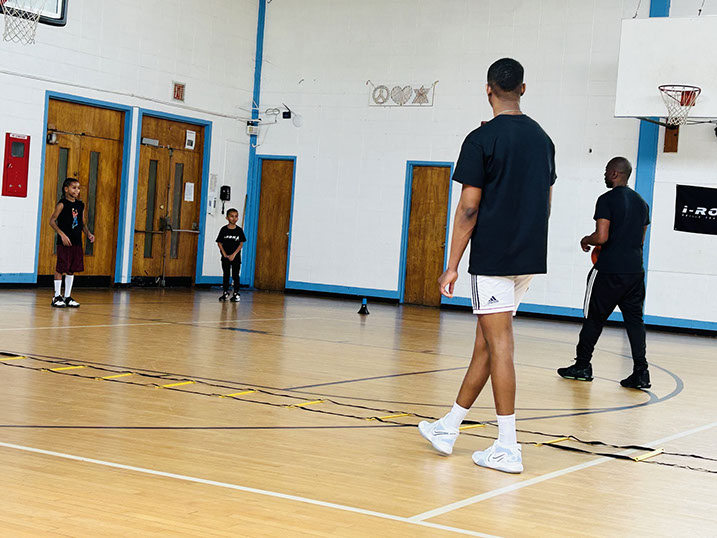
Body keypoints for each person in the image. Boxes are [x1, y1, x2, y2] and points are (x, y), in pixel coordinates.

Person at [418, 58, 556, 474]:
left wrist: (451, 265)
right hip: (527, 258)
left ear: (488, 89)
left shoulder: (481, 139)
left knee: (501, 346)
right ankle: (449, 426)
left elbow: (468, 209)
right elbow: (546, 202)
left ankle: (508, 447)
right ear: (523, 89)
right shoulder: (543, 139)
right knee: (487, 343)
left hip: (494, 260)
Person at [557, 157, 651, 389]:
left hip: (608, 271)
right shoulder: (642, 203)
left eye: (607, 171)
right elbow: (640, 240)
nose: (605, 175)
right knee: (635, 322)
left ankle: (582, 366)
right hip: (634, 272)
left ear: (615, 173)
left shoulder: (606, 199)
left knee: (594, 319)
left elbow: (601, 237)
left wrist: (585, 240)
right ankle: (641, 373)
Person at [48, 178, 94, 308]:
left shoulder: (80, 205)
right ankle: (57, 296)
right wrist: (61, 234)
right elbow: (52, 221)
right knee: (61, 267)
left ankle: (67, 296)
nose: (77, 190)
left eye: (78, 188)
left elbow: (82, 223)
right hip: (64, 242)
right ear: (66, 189)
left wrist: (88, 234)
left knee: (71, 269)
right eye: (74, 187)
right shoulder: (62, 204)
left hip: (76, 241)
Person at [216, 208, 247, 302]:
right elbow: (219, 243)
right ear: (227, 218)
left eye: (236, 216)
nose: (234, 218)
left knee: (235, 274)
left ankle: (236, 293)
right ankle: (225, 292)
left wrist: (234, 254)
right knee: (226, 274)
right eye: (232, 216)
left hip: (235, 257)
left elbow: (241, 244)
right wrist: (224, 254)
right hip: (225, 257)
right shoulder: (223, 229)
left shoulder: (239, 230)